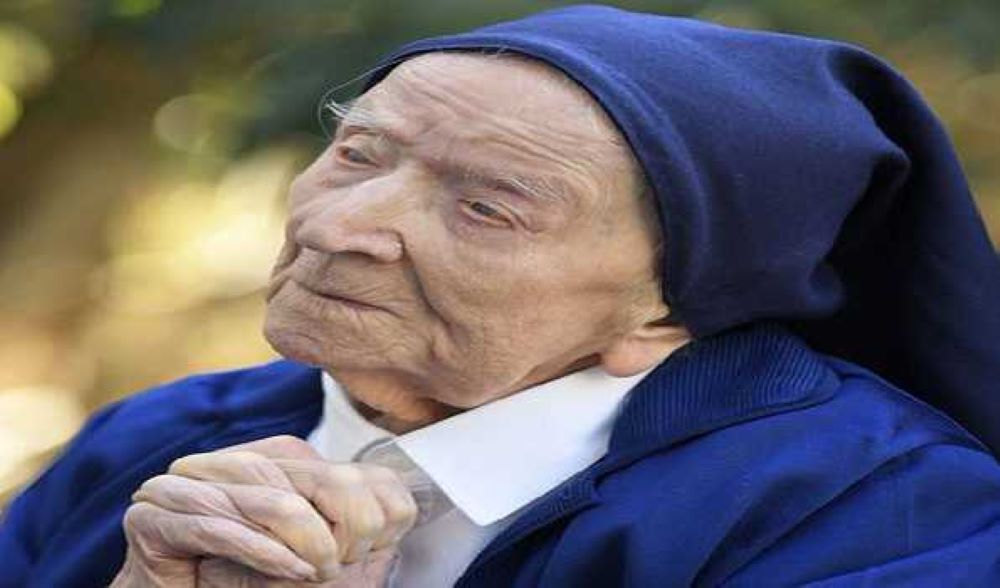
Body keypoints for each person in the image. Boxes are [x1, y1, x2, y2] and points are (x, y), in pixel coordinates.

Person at [3, 4, 1000, 587]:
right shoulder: (160, 438)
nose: (340, 226)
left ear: (666, 312)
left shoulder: (877, 512)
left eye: (486, 208)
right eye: (358, 153)